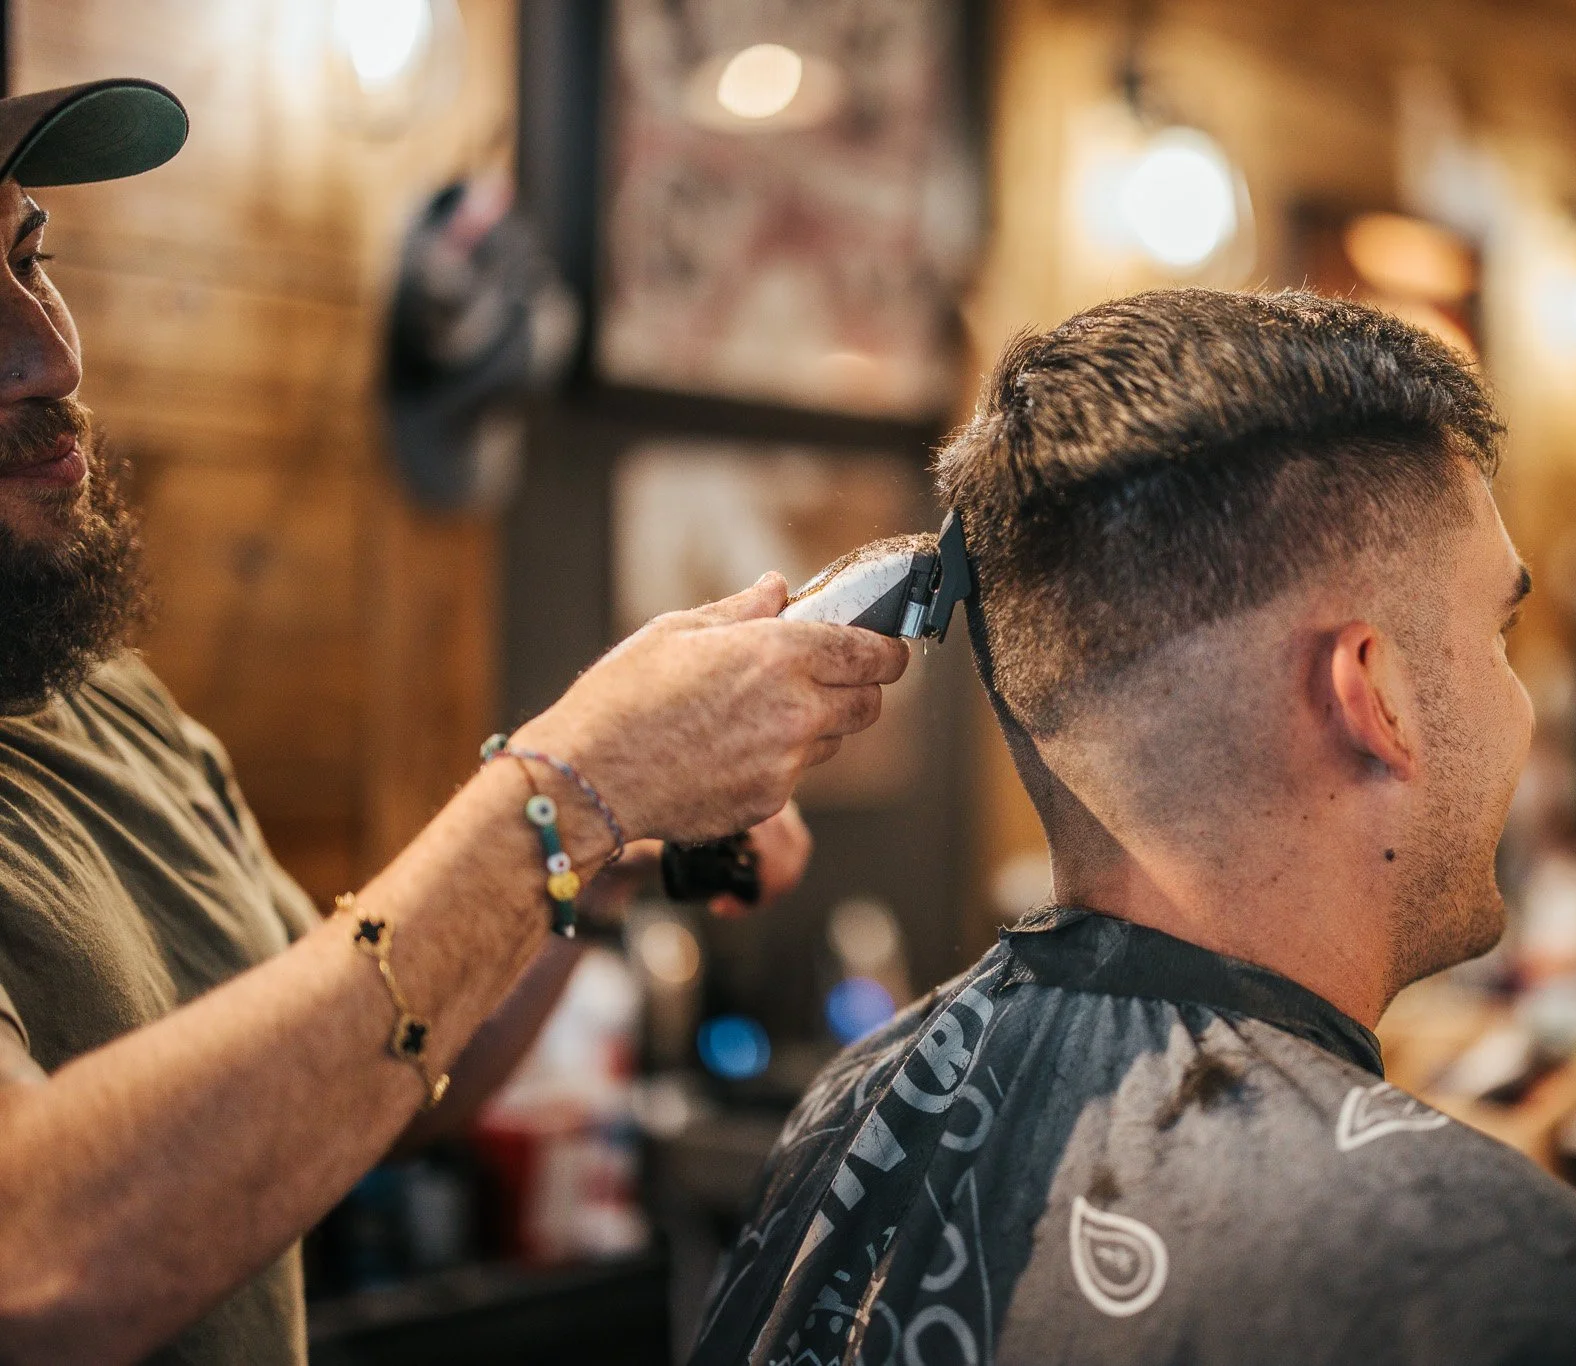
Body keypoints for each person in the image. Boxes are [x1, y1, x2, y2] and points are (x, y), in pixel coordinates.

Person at [0, 80, 909, 1364]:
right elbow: (31, 1255)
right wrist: (568, 785)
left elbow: (360, 1071)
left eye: (31, 257)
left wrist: (591, 865)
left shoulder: (100, 701)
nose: (50, 351)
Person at [689, 290, 1576, 1365]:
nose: (1520, 705)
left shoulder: (849, 1113)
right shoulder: (1528, 1302)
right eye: (1498, 629)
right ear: (1372, 692)